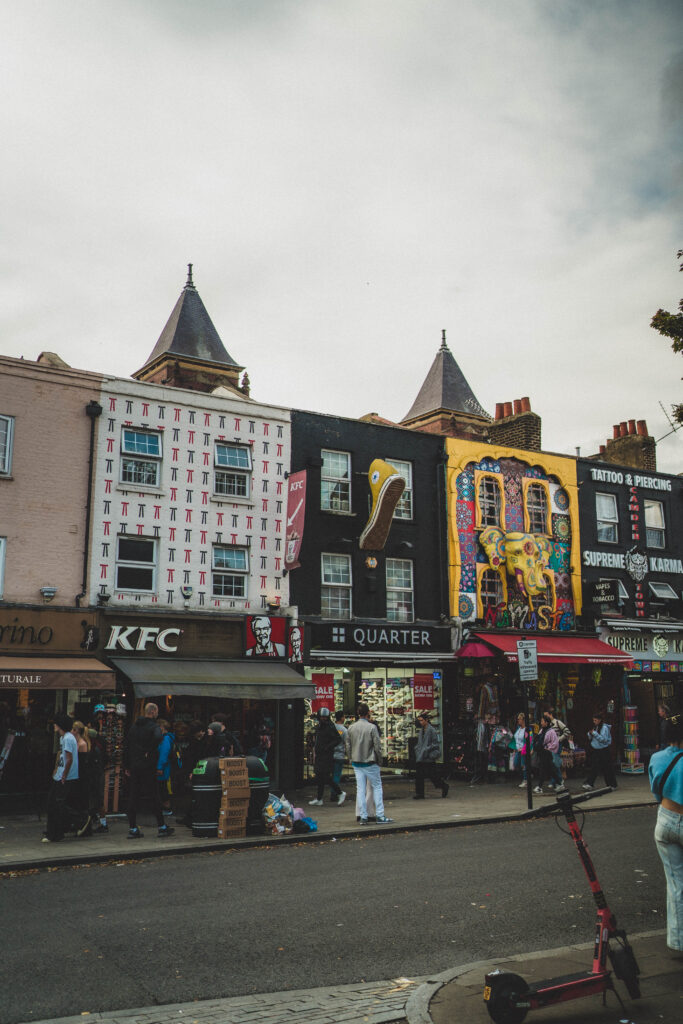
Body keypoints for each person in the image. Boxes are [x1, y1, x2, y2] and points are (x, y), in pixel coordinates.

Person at [649, 714, 683, 955]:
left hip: (666, 819)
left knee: (676, 885)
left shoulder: (657, 758)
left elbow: (655, 791)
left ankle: (679, 943)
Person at [124, 702, 174, 839]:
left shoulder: (134, 727)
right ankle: (162, 827)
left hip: (135, 765)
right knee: (154, 795)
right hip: (148, 765)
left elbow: (127, 745)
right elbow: (158, 737)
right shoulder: (154, 726)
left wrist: (127, 765)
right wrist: (150, 750)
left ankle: (133, 828)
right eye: (156, 712)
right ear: (153, 712)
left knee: (133, 796)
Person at [43, 714, 91, 843]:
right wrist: (57, 769)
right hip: (61, 774)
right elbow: (64, 757)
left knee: (57, 803)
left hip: (66, 776)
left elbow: (69, 759)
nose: (54, 726)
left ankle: (80, 819)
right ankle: (54, 832)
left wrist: (64, 774)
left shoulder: (68, 739)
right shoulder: (64, 737)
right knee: (53, 803)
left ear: (60, 725)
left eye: (55, 724)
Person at [345, 703, 393, 824]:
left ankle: (363, 816)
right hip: (370, 762)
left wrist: (351, 757)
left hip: (357, 762)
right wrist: (380, 760)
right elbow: (377, 746)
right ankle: (380, 815)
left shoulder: (351, 727)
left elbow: (348, 745)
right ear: (368, 713)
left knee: (360, 790)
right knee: (377, 787)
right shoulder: (372, 727)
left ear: (358, 713)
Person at [308, 708, 346, 807]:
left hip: (326, 755)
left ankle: (340, 792)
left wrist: (328, 747)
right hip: (320, 754)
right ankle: (319, 798)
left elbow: (337, 739)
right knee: (320, 776)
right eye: (322, 717)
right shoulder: (320, 726)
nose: (323, 719)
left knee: (325, 776)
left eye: (325, 717)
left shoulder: (330, 726)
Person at [414, 712, 448, 799]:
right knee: (419, 776)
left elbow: (435, 744)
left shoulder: (432, 730)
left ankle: (444, 786)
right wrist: (418, 749)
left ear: (426, 720)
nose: (420, 722)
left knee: (433, 776)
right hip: (421, 756)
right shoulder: (421, 730)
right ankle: (420, 793)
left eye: (422, 720)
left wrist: (427, 749)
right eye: (419, 720)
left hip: (428, 757)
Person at [583, 711, 617, 790]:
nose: (594, 722)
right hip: (596, 749)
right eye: (593, 720)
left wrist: (594, 734)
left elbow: (603, 739)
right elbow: (591, 739)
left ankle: (611, 784)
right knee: (595, 767)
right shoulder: (596, 727)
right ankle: (590, 783)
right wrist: (590, 734)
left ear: (600, 720)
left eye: (595, 720)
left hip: (604, 750)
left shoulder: (604, 728)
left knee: (607, 767)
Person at [534, 713, 563, 794]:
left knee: (543, 770)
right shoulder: (541, 730)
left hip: (547, 752)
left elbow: (555, 743)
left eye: (542, 721)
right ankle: (559, 784)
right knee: (551, 769)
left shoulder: (551, 731)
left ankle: (539, 786)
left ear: (546, 722)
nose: (541, 723)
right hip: (542, 752)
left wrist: (548, 749)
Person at [87, 726, 108, 833]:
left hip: (95, 777)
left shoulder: (93, 749)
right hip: (98, 775)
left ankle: (101, 823)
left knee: (96, 801)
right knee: (97, 801)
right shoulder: (98, 747)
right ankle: (101, 822)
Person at [156, 719, 175, 817]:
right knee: (162, 788)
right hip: (165, 767)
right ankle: (165, 807)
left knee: (163, 788)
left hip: (164, 768)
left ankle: (167, 808)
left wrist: (159, 767)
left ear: (162, 728)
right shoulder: (168, 738)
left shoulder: (165, 739)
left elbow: (164, 754)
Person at [331, 711, 348, 795]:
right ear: (341, 718)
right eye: (344, 717)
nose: (344, 718)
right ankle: (335, 793)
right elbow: (346, 743)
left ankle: (333, 792)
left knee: (332, 775)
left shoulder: (331, 727)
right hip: (339, 755)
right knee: (337, 775)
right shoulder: (344, 730)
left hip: (330, 755)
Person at [513, 712, 529, 788]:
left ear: (523, 720)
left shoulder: (527, 729)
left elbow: (528, 740)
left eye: (519, 719)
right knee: (516, 764)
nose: (518, 720)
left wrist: (523, 748)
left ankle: (525, 780)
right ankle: (526, 776)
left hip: (523, 750)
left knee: (523, 765)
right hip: (517, 750)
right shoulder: (518, 728)